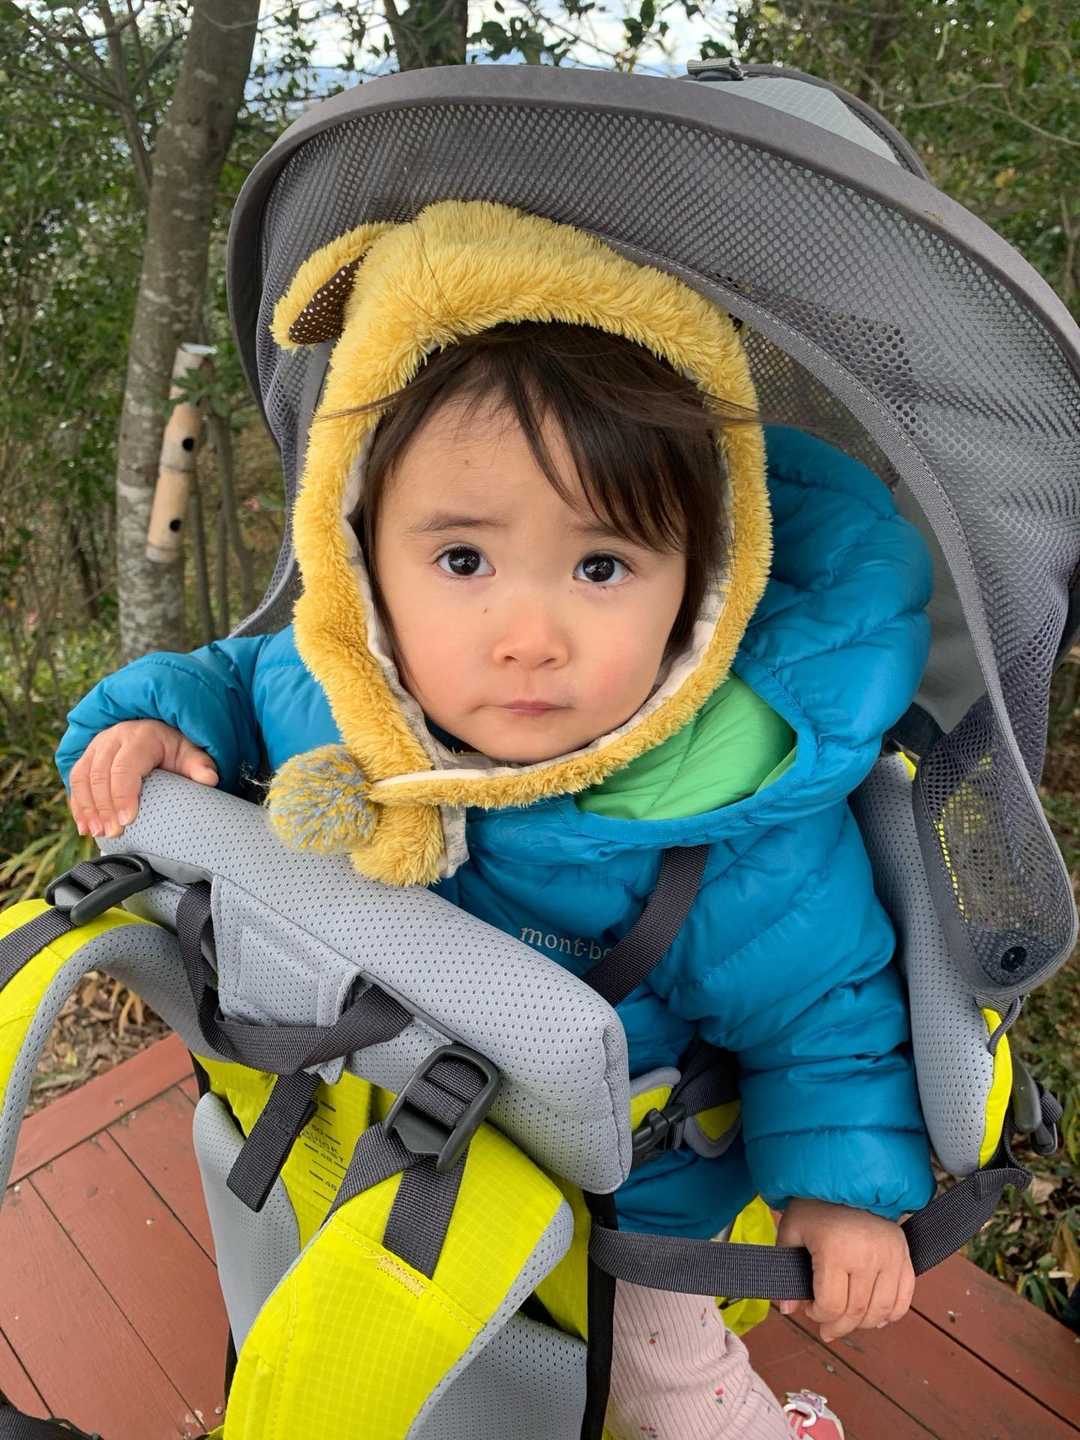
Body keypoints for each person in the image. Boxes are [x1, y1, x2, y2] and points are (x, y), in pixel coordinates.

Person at [56, 202, 935, 1440]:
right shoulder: (333, 687)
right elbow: (231, 676)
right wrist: (155, 722)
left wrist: (842, 1190)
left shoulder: (727, 815)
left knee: (665, 1387)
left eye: (601, 567)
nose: (529, 637)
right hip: (382, 1120)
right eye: (463, 560)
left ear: (703, 588)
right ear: (363, 555)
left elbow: (823, 1011)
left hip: (620, 1205)